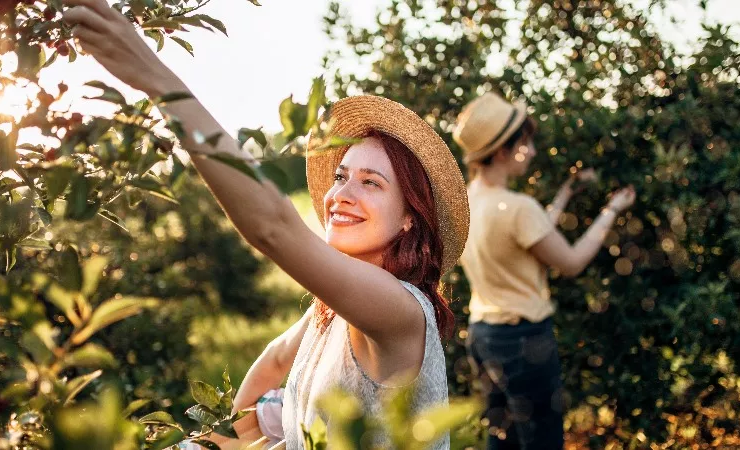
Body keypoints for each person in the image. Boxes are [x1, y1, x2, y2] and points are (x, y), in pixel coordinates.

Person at [60, 1, 470, 448]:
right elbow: (276, 361)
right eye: (340, 176)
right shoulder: (331, 308)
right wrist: (226, 439)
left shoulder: (400, 310)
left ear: (411, 216)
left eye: (371, 182)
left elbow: (272, 227)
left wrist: (159, 83)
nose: (341, 196)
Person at [453, 93, 636, 449]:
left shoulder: (468, 200)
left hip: (483, 337)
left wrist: (565, 193)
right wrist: (612, 210)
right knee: (542, 441)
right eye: (525, 144)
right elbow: (570, 262)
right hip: (525, 342)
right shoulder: (519, 208)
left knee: (501, 439)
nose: (533, 151)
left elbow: (528, 237)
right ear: (503, 152)